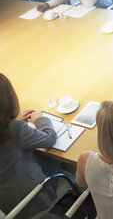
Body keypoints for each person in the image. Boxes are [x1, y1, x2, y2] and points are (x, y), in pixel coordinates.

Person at [0, 73, 57, 218]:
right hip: (34, 199)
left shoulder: (11, 127)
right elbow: (50, 138)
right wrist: (40, 119)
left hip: (6, 203)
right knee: (59, 159)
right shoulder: (14, 129)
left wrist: (15, 121)